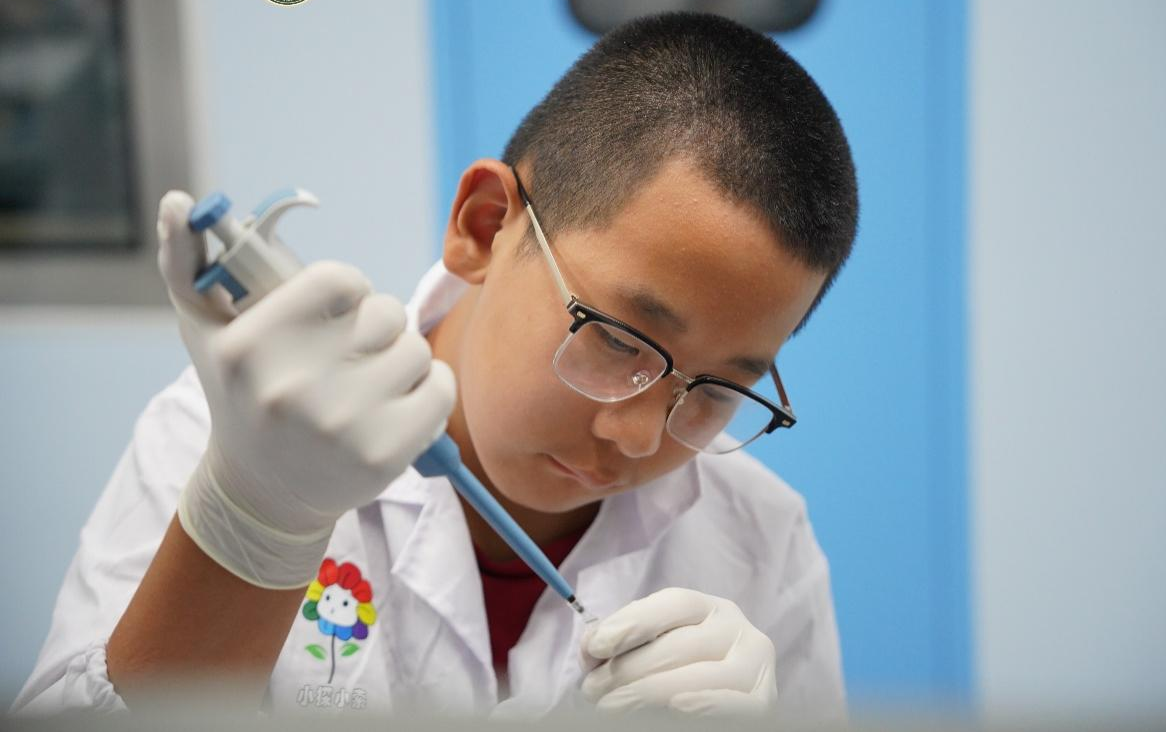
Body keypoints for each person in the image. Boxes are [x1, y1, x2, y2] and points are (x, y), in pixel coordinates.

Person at [14, 11, 858, 720]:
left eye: (718, 391)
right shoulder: (228, 445)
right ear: (485, 226)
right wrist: (254, 523)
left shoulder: (760, 543)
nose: (637, 437)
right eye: (617, 340)